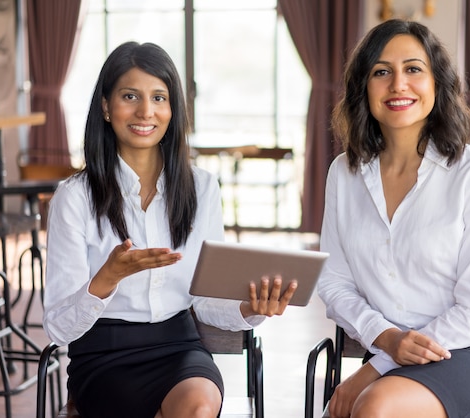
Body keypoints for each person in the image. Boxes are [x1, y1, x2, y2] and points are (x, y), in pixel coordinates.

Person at [43, 41, 297, 418]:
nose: (146, 111)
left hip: (179, 346)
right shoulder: (75, 197)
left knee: (197, 407)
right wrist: (107, 278)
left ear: (173, 108)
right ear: (106, 107)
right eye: (130, 96)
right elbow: (58, 329)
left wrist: (251, 307)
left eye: (159, 97)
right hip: (103, 355)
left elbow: (206, 301)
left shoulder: (203, 188)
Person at [318, 19, 470, 418]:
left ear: (437, 83)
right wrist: (386, 338)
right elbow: (335, 282)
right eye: (381, 72)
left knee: (374, 407)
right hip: (392, 349)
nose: (398, 84)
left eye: (413, 69)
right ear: (364, 87)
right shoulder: (344, 173)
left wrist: (378, 364)